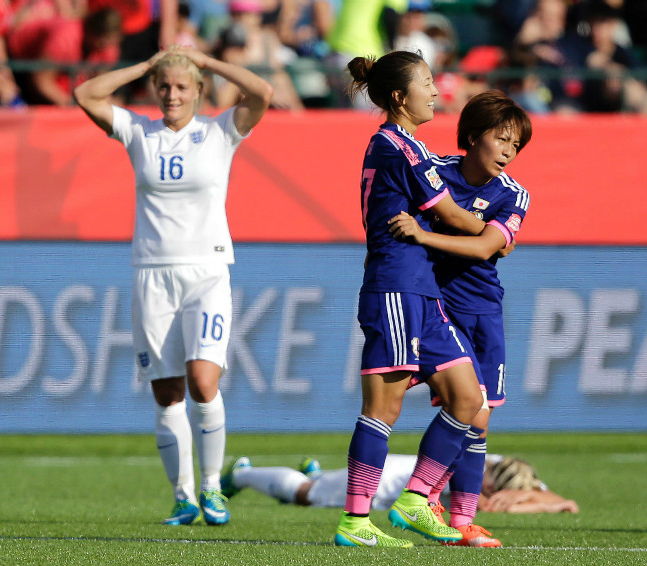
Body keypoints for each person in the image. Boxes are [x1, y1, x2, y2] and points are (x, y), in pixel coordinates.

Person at [73, 45, 272, 526]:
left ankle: (211, 487)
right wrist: (147, 64)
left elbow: (262, 92)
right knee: (167, 393)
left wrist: (204, 60)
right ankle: (182, 496)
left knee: (204, 381)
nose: (171, 95)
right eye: (164, 86)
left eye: (182, 87)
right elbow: (85, 93)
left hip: (207, 272)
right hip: (151, 273)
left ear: (199, 92)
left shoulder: (220, 132)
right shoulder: (139, 132)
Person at [334, 50, 491, 549]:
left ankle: (415, 499)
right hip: (396, 286)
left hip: (421, 290)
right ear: (400, 97)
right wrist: (496, 228)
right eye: (426, 82)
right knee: (385, 406)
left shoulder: (409, 147)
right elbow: (456, 218)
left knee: (469, 396)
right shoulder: (396, 147)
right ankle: (356, 521)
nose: (435, 90)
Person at [388, 89, 533, 547]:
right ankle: (417, 499)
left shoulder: (515, 195)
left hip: (482, 312)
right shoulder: (435, 172)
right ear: (473, 135)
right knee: (465, 407)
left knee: (480, 418)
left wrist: (428, 236)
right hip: (435, 307)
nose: (509, 152)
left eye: (516, 145)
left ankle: (457, 516)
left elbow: (488, 247)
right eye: (502, 139)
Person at [221, 454, 579, 514]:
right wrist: (546, 504)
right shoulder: (471, 471)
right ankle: (241, 473)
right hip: (382, 481)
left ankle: (316, 472)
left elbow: (565, 500)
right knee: (306, 495)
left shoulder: (505, 467)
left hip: (394, 470)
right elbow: (484, 506)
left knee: (316, 483)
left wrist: (547, 501)